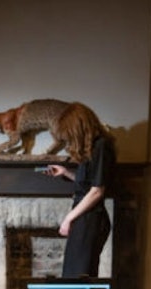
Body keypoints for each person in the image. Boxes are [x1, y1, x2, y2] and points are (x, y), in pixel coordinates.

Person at [45, 102, 116, 278]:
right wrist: (66, 172)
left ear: (79, 128)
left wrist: (68, 218)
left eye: (70, 134)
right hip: (84, 217)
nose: (69, 140)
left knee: (79, 276)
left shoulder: (101, 146)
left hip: (91, 218)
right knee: (74, 274)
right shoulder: (91, 148)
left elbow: (97, 190)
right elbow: (89, 182)